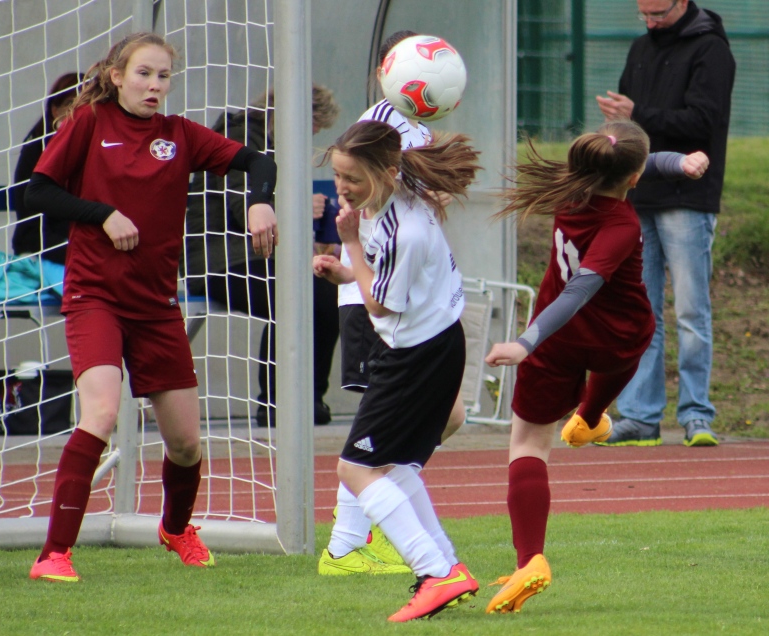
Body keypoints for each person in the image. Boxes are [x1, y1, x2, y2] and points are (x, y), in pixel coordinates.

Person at [23, 32, 277, 582]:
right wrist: (102, 214)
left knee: (185, 443)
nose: (154, 85)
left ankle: (175, 529)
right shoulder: (89, 122)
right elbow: (37, 191)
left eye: (163, 76)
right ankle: (54, 554)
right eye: (143, 74)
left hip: (158, 305)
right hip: (95, 296)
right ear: (117, 76)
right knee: (101, 414)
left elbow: (258, 162)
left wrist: (260, 203)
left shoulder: (180, 135)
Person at [482, 121, 709, 615]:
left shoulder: (568, 191)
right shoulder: (622, 224)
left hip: (557, 338)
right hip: (617, 337)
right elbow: (582, 289)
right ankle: (589, 417)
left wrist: (529, 340)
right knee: (621, 358)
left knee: (528, 445)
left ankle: (530, 560)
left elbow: (570, 293)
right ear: (634, 178)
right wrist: (522, 344)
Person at [312, 120, 481, 622]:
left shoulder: (402, 229)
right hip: (436, 342)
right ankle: (448, 565)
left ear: (387, 172)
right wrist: (347, 272)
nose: (343, 187)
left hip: (414, 355)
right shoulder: (397, 192)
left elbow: (381, 305)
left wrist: (349, 246)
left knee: (356, 468)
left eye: (353, 178)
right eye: (338, 175)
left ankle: (435, 573)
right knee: (394, 465)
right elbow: (381, 279)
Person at [319, 29, 466, 577]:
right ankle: (348, 543)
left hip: (405, 310)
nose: (341, 185)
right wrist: (348, 260)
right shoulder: (381, 132)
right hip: (382, 306)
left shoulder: (410, 137)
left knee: (428, 427)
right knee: (373, 446)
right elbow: (377, 222)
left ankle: (384, 530)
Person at [595, 0, 736, 447]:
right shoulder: (640, 48)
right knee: (640, 312)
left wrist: (637, 113)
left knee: (692, 312)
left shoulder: (712, 49)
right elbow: (631, 128)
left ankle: (697, 414)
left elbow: (703, 121)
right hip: (638, 194)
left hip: (688, 196)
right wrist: (617, 123)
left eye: (658, 13)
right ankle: (640, 416)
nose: (651, 22)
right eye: (644, 14)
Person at [183, 85, 340, 427]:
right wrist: (301, 209)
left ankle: (308, 398)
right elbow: (247, 210)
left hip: (250, 256)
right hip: (221, 260)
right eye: (314, 125)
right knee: (295, 299)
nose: (313, 134)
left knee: (325, 294)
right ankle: (277, 403)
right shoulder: (241, 138)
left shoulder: (262, 139)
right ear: (298, 116)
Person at [12, 72, 83, 265]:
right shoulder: (35, 150)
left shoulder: (103, 148)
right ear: (55, 110)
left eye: (85, 103)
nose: (77, 111)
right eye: (70, 103)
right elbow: (31, 227)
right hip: (44, 250)